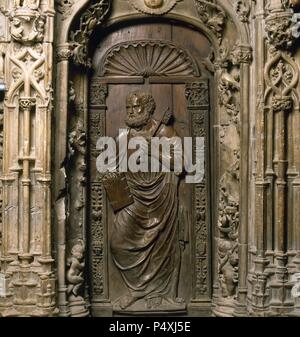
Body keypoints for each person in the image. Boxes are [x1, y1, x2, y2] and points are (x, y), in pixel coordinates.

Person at [110, 91, 185, 311]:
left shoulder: (164, 131)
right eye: (129, 108)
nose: (132, 112)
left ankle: (153, 293)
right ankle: (136, 289)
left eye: (137, 108)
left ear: (149, 108)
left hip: (161, 199)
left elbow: (180, 165)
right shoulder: (124, 136)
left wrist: (153, 149)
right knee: (118, 243)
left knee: (162, 248)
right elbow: (113, 166)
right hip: (132, 198)